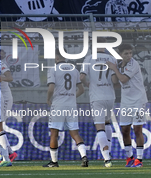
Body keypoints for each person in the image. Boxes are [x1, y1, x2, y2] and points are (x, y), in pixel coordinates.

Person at [43, 49, 88, 167]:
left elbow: (51, 88)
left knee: (54, 133)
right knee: (75, 133)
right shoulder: (74, 70)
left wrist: (48, 99)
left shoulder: (53, 69)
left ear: (56, 57)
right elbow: (82, 90)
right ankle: (84, 157)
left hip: (58, 104)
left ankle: (54, 162)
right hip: (71, 105)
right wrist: (72, 96)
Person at [107, 44, 148, 167]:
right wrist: (113, 70)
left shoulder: (133, 64)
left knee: (137, 129)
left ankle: (139, 160)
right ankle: (129, 158)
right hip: (126, 102)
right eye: (126, 53)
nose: (129, 55)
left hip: (138, 101)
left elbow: (124, 80)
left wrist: (114, 69)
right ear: (120, 54)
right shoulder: (119, 65)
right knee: (124, 130)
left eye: (130, 53)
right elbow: (116, 82)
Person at [80, 38, 117, 167]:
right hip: (110, 96)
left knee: (99, 127)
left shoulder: (89, 58)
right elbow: (114, 79)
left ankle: (107, 159)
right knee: (107, 122)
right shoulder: (112, 58)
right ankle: (109, 152)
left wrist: (87, 84)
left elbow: (82, 76)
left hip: (97, 97)